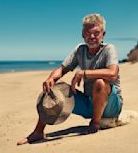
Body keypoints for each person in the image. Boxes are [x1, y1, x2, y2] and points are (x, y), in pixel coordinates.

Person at [17, 13, 123, 145]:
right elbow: (62, 69)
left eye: (96, 33)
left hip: (111, 105)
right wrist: (51, 78)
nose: (91, 37)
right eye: (87, 33)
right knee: (54, 88)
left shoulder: (108, 49)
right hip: (89, 105)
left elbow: (113, 73)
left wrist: (83, 73)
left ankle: (95, 124)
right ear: (82, 34)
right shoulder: (80, 50)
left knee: (100, 82)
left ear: (103, 34)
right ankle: (38, 131)